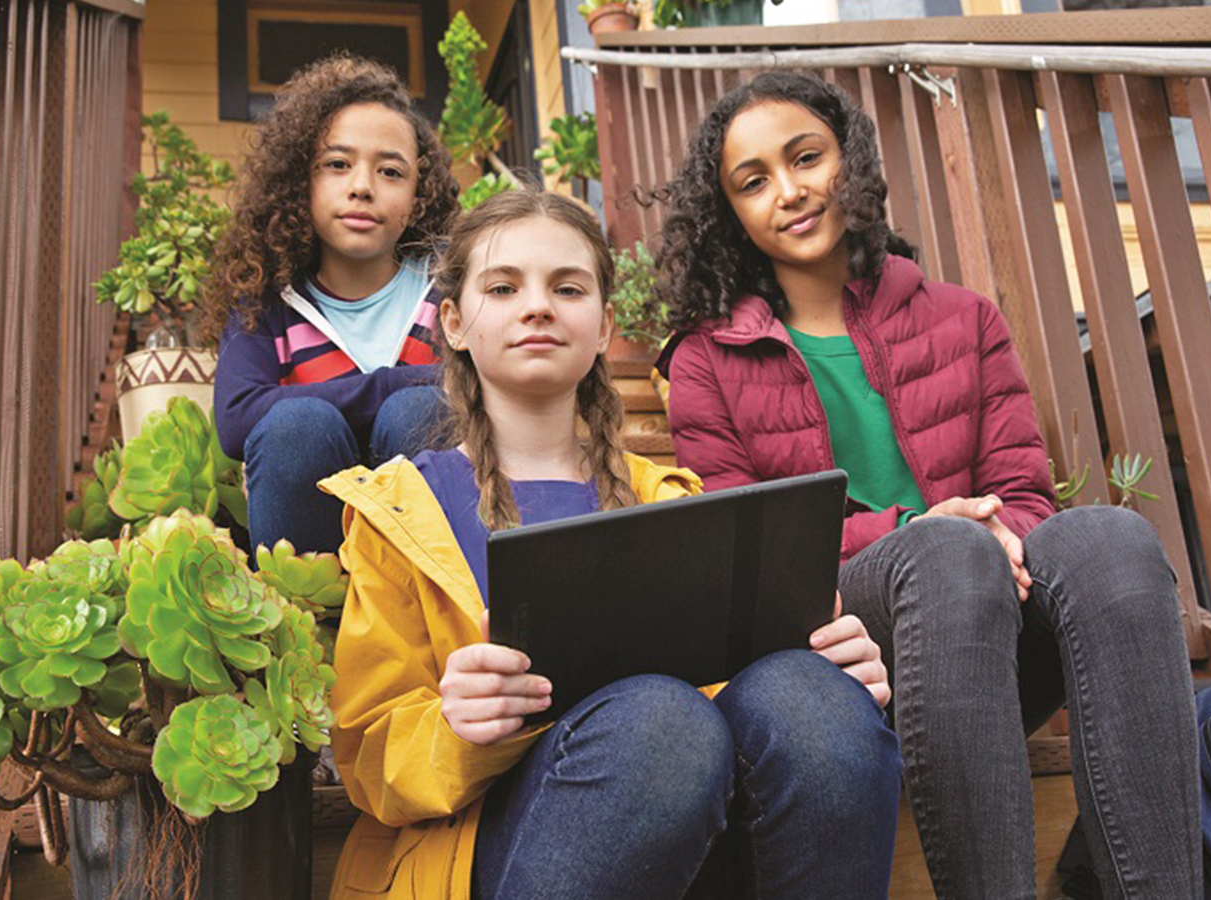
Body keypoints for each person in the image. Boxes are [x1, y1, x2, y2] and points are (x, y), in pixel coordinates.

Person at [656, 70, 1200, 900]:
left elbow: (1023, 490)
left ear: (853, 163)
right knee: (943, 549)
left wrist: (998, 533)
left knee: (1111, 537)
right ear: (729, 210)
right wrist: (922, 526)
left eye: (808, 158)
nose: (791, 192)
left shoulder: (961, 317)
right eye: (753, 180)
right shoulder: (706, 359)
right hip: (846, 653)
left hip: (987, 640)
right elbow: (749, 548)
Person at [319, 190, 903, 900]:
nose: (537, 306)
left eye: (567, 288)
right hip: (487, 851)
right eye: (503, 288)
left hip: (692, 829)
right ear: (454, 323)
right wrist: (456, 728)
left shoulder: (676, 504)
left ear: (603, 328)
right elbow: (366, 757)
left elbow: (740, 699)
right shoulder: (396, 511)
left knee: (810, 695)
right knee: (658, 720)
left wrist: (833, 672)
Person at [202, 54, 458, 555]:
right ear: (302, 181)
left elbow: (484, 387)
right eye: (337, 165)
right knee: (299, 426)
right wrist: (385, 384)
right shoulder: (265, 298)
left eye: (390, 171)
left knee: (421, 411)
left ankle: (437, 615)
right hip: (309, 551)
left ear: (419, 194)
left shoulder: (451, 287)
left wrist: (392, 396)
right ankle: (306, 622)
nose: (361, 186)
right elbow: (236, 419)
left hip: (428, 562)